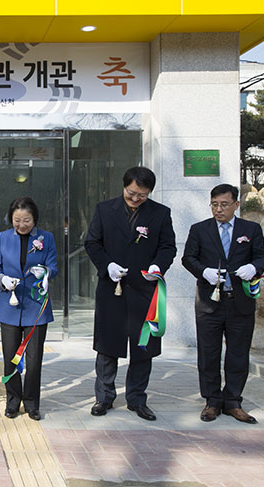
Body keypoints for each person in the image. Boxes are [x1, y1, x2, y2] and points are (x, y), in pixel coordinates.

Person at [84, 167, 176, 421]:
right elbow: (92, 242)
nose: (135, 199)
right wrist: (107, 265)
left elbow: (168, 246)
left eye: (142, 195)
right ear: (124, 187)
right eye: (131, 193)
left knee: (142, 347)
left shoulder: (160, 214)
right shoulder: (104, 210)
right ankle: (104, 397)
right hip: (111, 288)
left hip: (144, 290)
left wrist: (158, 265)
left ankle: (136, 399)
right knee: (107, 347)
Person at [181, 184, 264, 424]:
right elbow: (188, 258)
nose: (218, 209)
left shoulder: (251, 229)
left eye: (224, 204)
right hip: (210, 302)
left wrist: (254, 268)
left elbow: (262, 256)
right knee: (208, 353)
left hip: (240, 302)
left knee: (238, 354)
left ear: (236, 205)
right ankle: (212, 401)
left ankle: (233, 401)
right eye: (214, 204)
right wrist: (204, 272)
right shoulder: (199, 230)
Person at [0, 197, 58, 421]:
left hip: (36, 306)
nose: (21, 225)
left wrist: (45, 273)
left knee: (34, 357)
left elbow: (54, 267)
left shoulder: (45, 238)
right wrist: (2, 280)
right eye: (17, 220)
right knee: (10, 357)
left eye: (26, 220)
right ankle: (12, 401)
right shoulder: (3, 238)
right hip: (10, 305)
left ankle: (31, 403)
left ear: (34, 218)